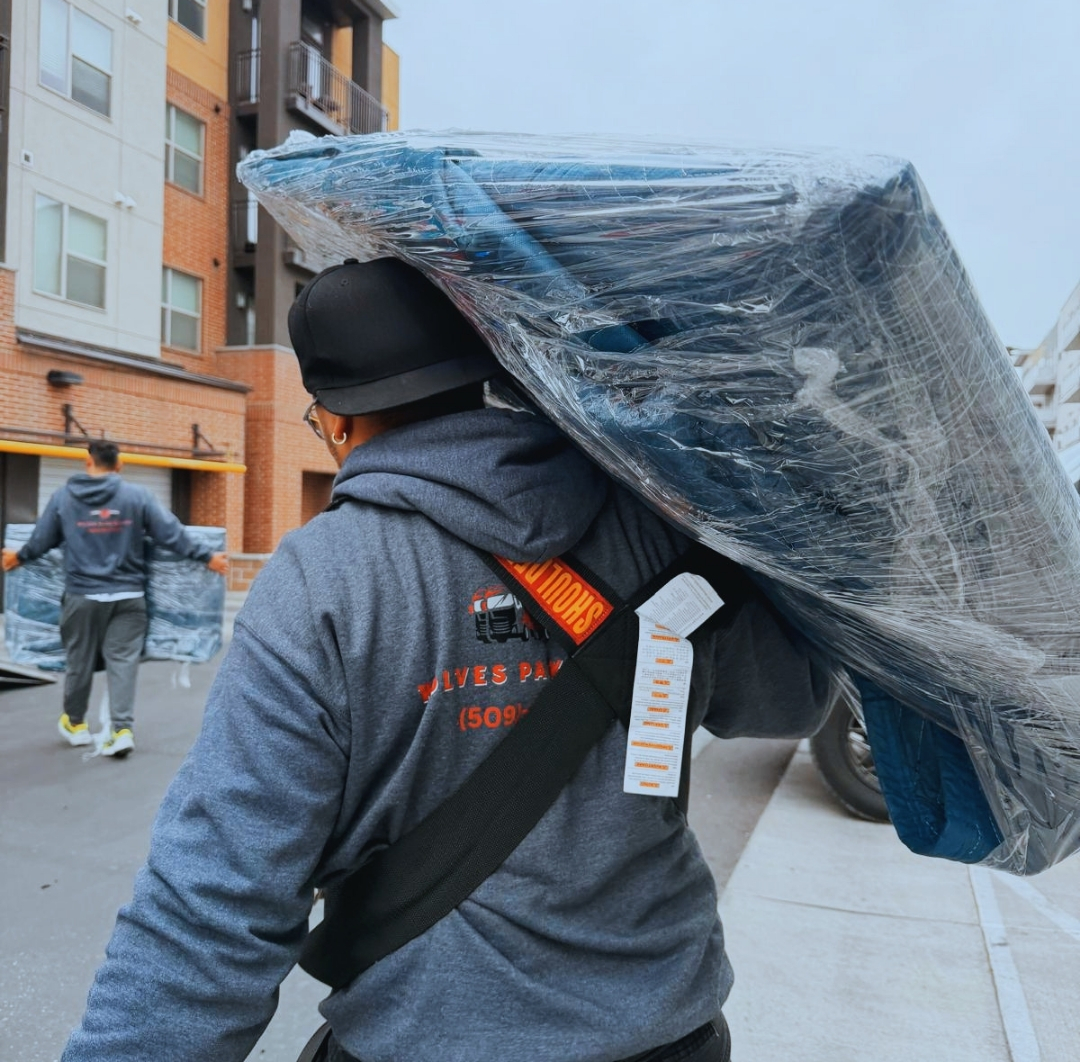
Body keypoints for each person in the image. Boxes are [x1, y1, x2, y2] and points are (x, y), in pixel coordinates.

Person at [58, 258, 830, 1061]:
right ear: (485, 369)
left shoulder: (324, 578)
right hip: (668, 1027)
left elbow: (213, 900)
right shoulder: (651, 523)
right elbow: (786, 704)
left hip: (430, 1036)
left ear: (333, 422)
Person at [1, 440, 228, 758]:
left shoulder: (65, 497)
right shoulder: (137, 496)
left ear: (88, 463)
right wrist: (208, 558)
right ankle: (122, 730)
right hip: (128, 598)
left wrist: (18, 557)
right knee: (123, 663)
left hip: (82, 596)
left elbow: (43, 538)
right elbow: (170, 533)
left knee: (78, 662)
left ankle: (76, 724)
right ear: (118, 466)